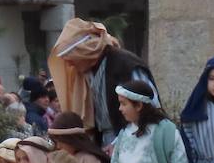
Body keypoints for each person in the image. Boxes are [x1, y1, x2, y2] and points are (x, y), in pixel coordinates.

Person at [49, 18, 158, 148]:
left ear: (83, 51)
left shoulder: (125, 65)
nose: (70, 65)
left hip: (137, 140)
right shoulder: (88, 73)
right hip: (106, 141)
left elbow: (151, 107)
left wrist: (119, 141)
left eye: (71, 60)